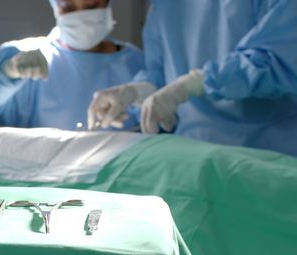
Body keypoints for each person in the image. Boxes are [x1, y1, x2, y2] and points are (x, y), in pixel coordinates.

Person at [88, 0, 297, 157]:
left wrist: (196, 83)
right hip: (191, 153)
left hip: (265, 153)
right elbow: (162, 70)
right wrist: (139, 91)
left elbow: (278, 59)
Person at [0, 0, 144, 131]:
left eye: (91, 5)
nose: (81, 15)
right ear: (55, 7)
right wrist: (5, 72)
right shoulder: (26, 56)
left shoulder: (138, 65)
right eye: (68, 6)